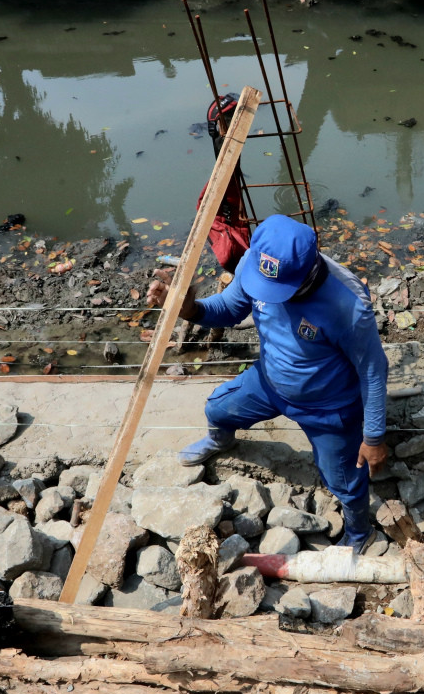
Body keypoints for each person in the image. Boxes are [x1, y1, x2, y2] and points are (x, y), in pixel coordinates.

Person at [147, 214, 389, 553]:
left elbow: (373, 370)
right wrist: (187, 307)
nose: (271, 297)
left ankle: (360, 535)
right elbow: (228, 309)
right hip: (270, 382)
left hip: (328, 406)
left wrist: (374, 436)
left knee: (344, 481)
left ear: (308, 270)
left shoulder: (347, 305)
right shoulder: (254, 261)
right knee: (218, 407)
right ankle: (221, 441)